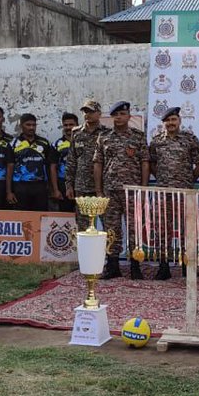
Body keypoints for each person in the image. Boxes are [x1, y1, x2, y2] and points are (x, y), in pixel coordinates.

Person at [147, 106, 199, 280]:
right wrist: (163, 180)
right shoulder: (156, 141)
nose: (170, 123)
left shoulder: (189, 139)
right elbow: (152, 164)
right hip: (163, 193)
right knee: (162, 230)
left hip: (185, 192)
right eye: (167, 121)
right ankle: (163, 267)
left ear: (179, 121)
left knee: (188, 230)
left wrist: (188, 180)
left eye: (173, 120)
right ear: (163, 123)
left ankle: (188, 266)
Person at [95, 101, 149, 280]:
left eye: (122, 114)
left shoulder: (138, 136)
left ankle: (135, 266)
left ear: (129, 116)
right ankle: (113, 265)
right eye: (116, 115)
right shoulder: (104, 137)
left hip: (132, 190)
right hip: (110, 190)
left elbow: (144, 162)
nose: (119, 117)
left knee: (134, 228)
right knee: (111, 229)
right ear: (112, 117)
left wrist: (142, 188)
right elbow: (98, 163)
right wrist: (98, 190)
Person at [66, 100, 110, 230]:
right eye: (85, 111)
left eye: (91, 111)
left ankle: (108, 250)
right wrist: (69, 184)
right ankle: (85, 250)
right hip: (82, 185)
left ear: (99, 113)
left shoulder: (107, 133)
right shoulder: (77, 132)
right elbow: (72, 159)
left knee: (108, 223)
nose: (87, 114)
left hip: (102, 186)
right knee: (83, 225)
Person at [9, 113, 55, 211]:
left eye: (33, 125)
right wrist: (9, 191)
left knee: (40, 216)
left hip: (40, 186)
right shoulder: (13, 144)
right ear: (21, 126)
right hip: (20, 186)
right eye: (28, 125)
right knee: (22, 217)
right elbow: (10, 167)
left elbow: (49, 166)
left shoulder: (44, 143)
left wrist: (51, 188)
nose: (31, 128)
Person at [54, 112, 79, 212]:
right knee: (65, 214)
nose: (68, 127)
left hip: (82, 184)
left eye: (71, 124)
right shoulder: (56, 144)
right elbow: (53, 167)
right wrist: (55, 189)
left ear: (77, 125)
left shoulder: (85, 141)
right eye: (65, 125)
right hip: (63, 183)